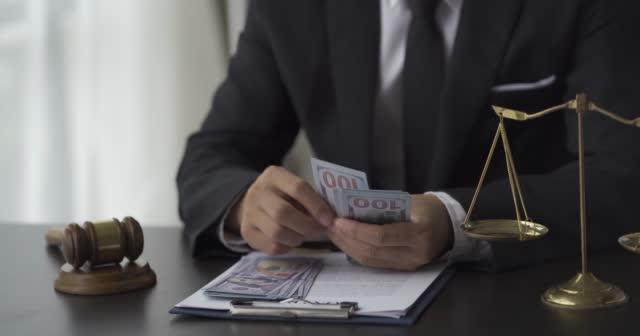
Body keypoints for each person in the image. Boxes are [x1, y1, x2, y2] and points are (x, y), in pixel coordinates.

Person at [177, 0, 640, 271]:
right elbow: (212, 155)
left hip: (526, 292)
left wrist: (457, 220)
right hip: (348, 314)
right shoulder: (292, 10)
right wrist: (243, 205)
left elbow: (623, 172)